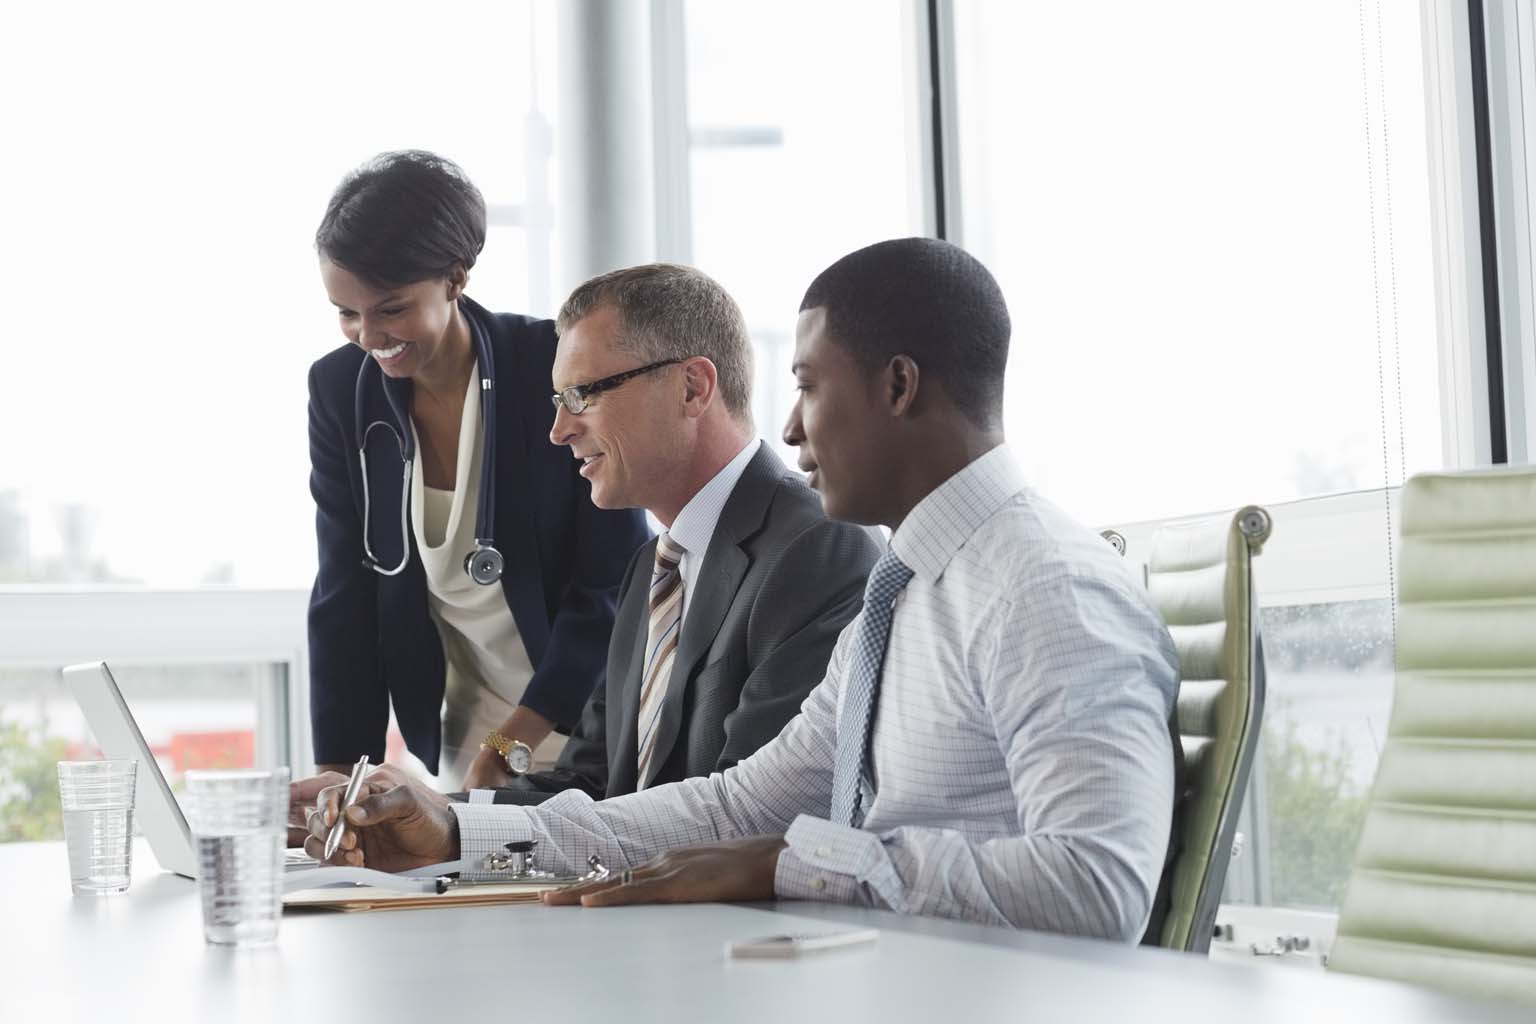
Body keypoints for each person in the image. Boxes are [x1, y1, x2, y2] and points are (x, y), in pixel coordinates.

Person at [304, 238, 1182, 943]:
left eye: (806, 386)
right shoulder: (910, 594)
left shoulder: (1045, 586)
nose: (791, 425)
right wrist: (461, 835)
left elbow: (1099, 885)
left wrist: (797, 864)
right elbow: (738, 803)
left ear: (898, 386)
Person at [306, 150, 650, 789]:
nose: (367, 335)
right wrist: (339, 776)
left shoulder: (550, 365)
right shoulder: (338, 392)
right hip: (470, 742)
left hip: (592, 724)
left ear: (455, 279)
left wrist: (514, 739)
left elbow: (612, 583)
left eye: (390, 309)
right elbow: (344, 594)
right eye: (346, 312)